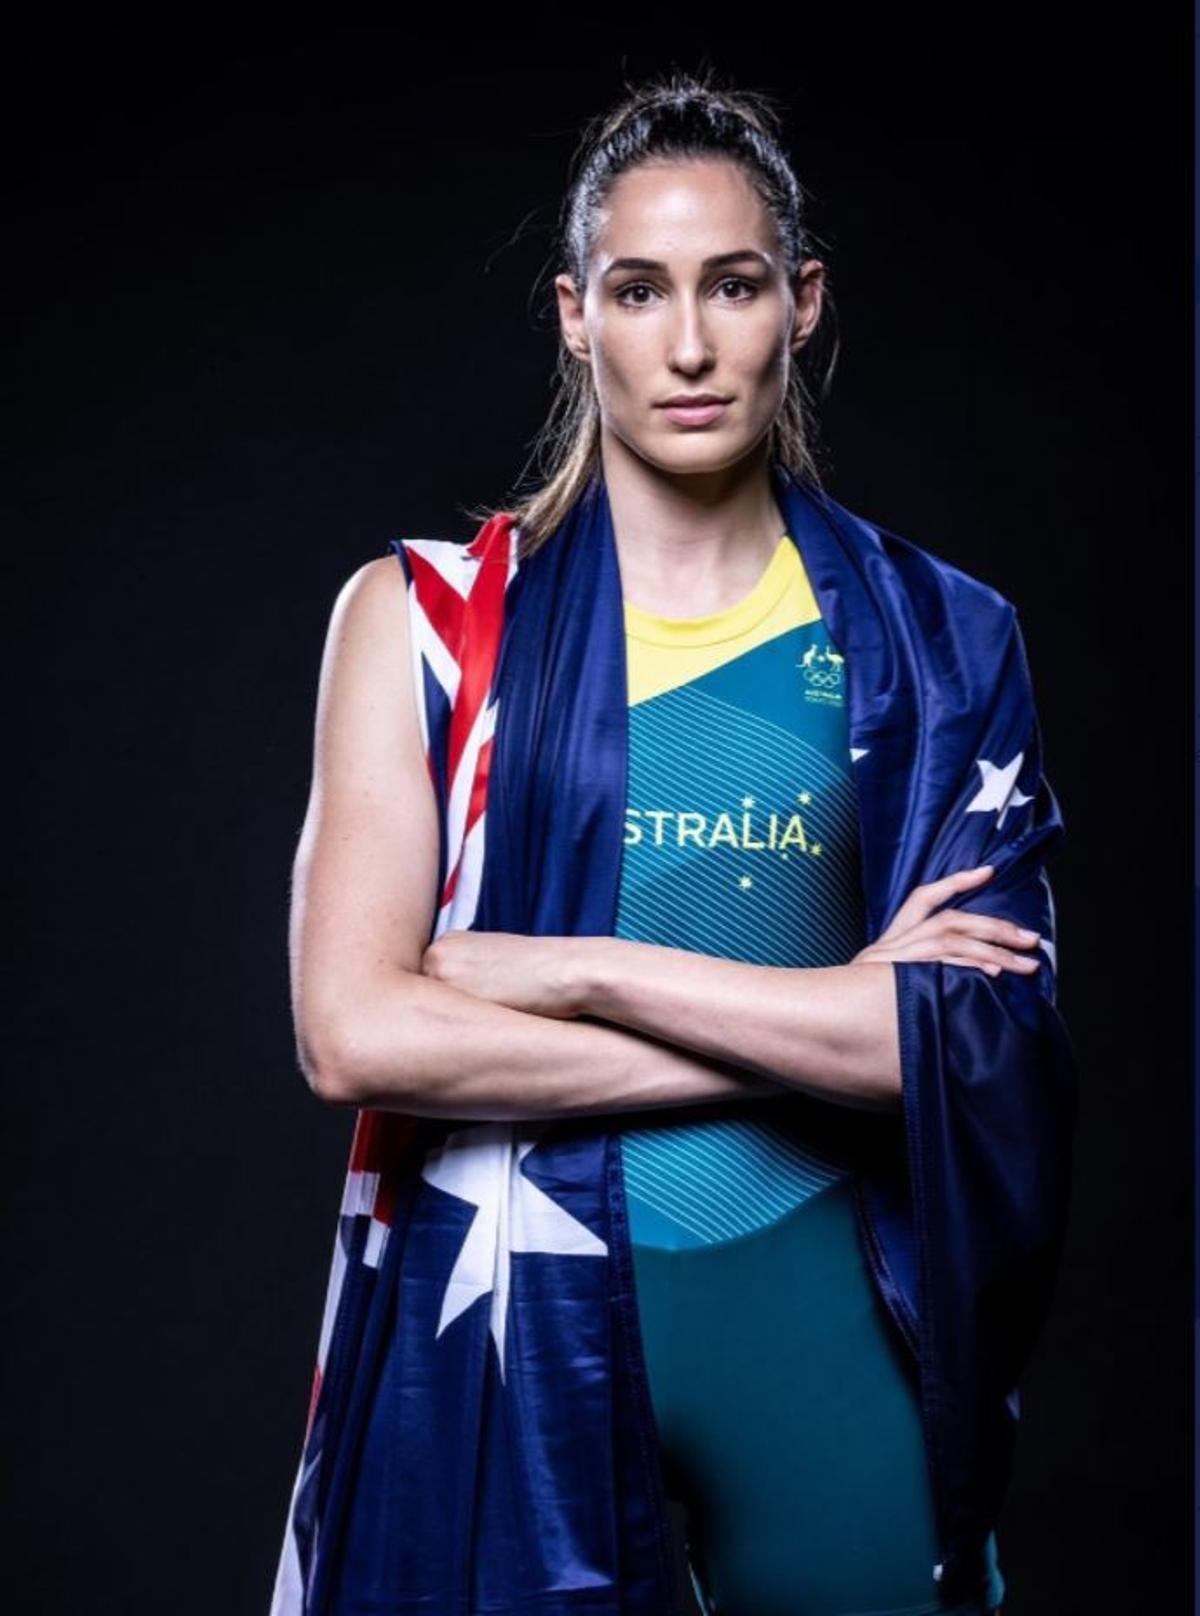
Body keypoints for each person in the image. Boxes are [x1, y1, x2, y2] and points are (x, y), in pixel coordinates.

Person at [272, 68, 1075, 1616]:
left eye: (736, 286)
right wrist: (818, 1022)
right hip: (507, 1327)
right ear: (577, 315)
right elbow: (354, 1028)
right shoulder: (430, 627)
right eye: (640, 291)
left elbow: (967, 1041)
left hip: (825, 1341)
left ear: (805, 303)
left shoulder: (943, 641)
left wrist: (562, 971)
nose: (692, 345)